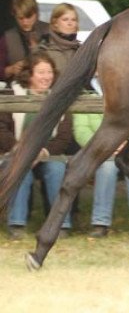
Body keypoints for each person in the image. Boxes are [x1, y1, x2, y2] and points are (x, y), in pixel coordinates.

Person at [0, 52, 73, 240]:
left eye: (49, 72)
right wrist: (23, 152)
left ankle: (60, 225)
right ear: (29, 74)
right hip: (14, 152)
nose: (46, 77)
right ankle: (17, 224)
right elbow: (1, 129)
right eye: (41, 72)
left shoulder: (59, 96)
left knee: (57, 169)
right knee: (19, 168)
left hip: (47, 154)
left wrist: (41, 152)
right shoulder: (11, 93)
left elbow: (64, 137)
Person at [73, 81, 129, 238]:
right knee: (107, 168)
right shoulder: (84, 93)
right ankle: (100, 223)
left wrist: (127, 145)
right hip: (98, 151)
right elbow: (81, 130)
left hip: (126, 148)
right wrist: (105, 147)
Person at [2, 0, 49, 84]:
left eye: (29, 17)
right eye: (20, 18)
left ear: (36, 13)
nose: (25, 22)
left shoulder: (49, 31)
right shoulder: (7, 37)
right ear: (14, 15)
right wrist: (10, 70)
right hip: (18, 89)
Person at [36, 3, 80, 79]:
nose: (70, 23)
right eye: (65, 19)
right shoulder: (43, 50)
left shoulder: (82, 51)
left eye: (73, 20)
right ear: (55, 22)